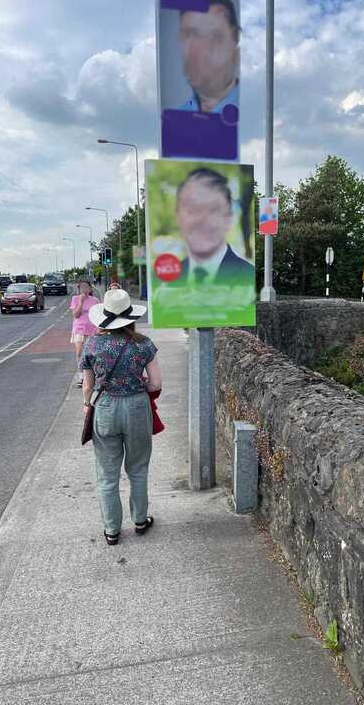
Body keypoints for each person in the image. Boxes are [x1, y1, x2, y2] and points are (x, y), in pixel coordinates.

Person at [81, 289, 162, 546]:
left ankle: (112, 531)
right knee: (137, 468)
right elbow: (156, 383)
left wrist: (87, 404)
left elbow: (87, 386)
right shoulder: (144, 344)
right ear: (130, 317)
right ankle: (140, 521)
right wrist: (139, 387)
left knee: (107, 475)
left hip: (105, 409)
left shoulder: (92, 344)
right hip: (137, 408)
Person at [172, 167, 254, 287]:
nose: (202, 219)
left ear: (229, 218)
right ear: (177, 216)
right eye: (192, 209)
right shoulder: (165, 281)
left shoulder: (248, 276)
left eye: (213, 210)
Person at [178, 0, 239, 114]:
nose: (197, 50)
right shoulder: (178, 116)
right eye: (190, 35)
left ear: (234, 39)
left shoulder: (253, 113)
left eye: (213, 36)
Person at [70, 281, 100, 387]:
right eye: (82, 287)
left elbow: (98, 315)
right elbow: (76, 315)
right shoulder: (75, 299)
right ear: (79, 289)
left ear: (90, 288)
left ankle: (92, 375)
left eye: (86, 287)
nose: (84, 289)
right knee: (79, 352)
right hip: (79, 328)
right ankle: (81, 376)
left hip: (92, 329)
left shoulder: (95, 300)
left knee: (91, 353)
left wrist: (99, 329)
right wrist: (81, 302)